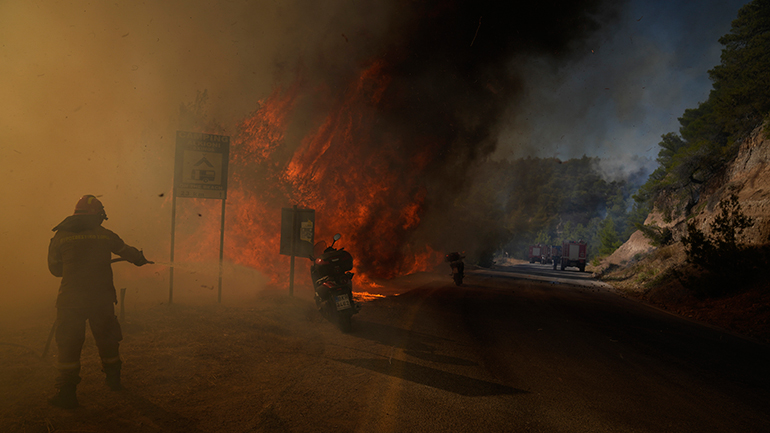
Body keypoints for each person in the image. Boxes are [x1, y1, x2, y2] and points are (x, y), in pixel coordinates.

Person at [47, 195, 150, 409]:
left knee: (68, 346)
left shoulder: (60, 236)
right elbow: (128, 253)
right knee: (107, 339)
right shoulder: (105, 235)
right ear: (97, 215)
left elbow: (55, 270)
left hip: (70, 301)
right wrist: (139, 259)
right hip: (100, 299)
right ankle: (114, 381)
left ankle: (67, 394)